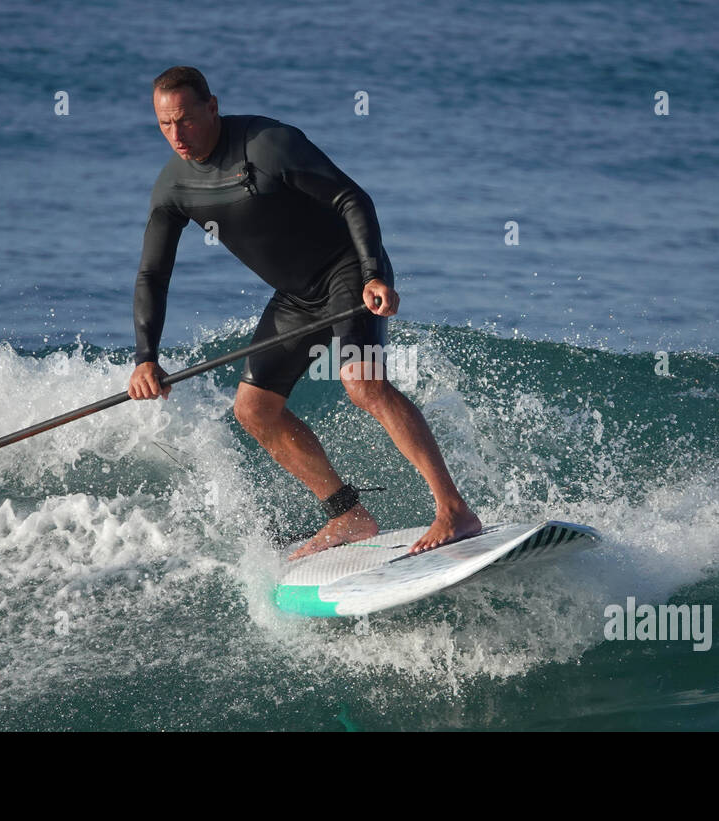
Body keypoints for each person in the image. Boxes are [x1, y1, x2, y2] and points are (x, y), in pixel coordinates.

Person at [128, 66, 480, 559]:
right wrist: (147, 357)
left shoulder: (268, 144)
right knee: (253, 410)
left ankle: (454, 510)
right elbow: (152, 275)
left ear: (212, 107)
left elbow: (352, 198)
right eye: (165, 125)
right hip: (296, 297)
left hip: (349, 273)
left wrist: (375, 273)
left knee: (364, 385)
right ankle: (348, 516)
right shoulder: (173, 187)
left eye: (185, 120)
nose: (176, 135)